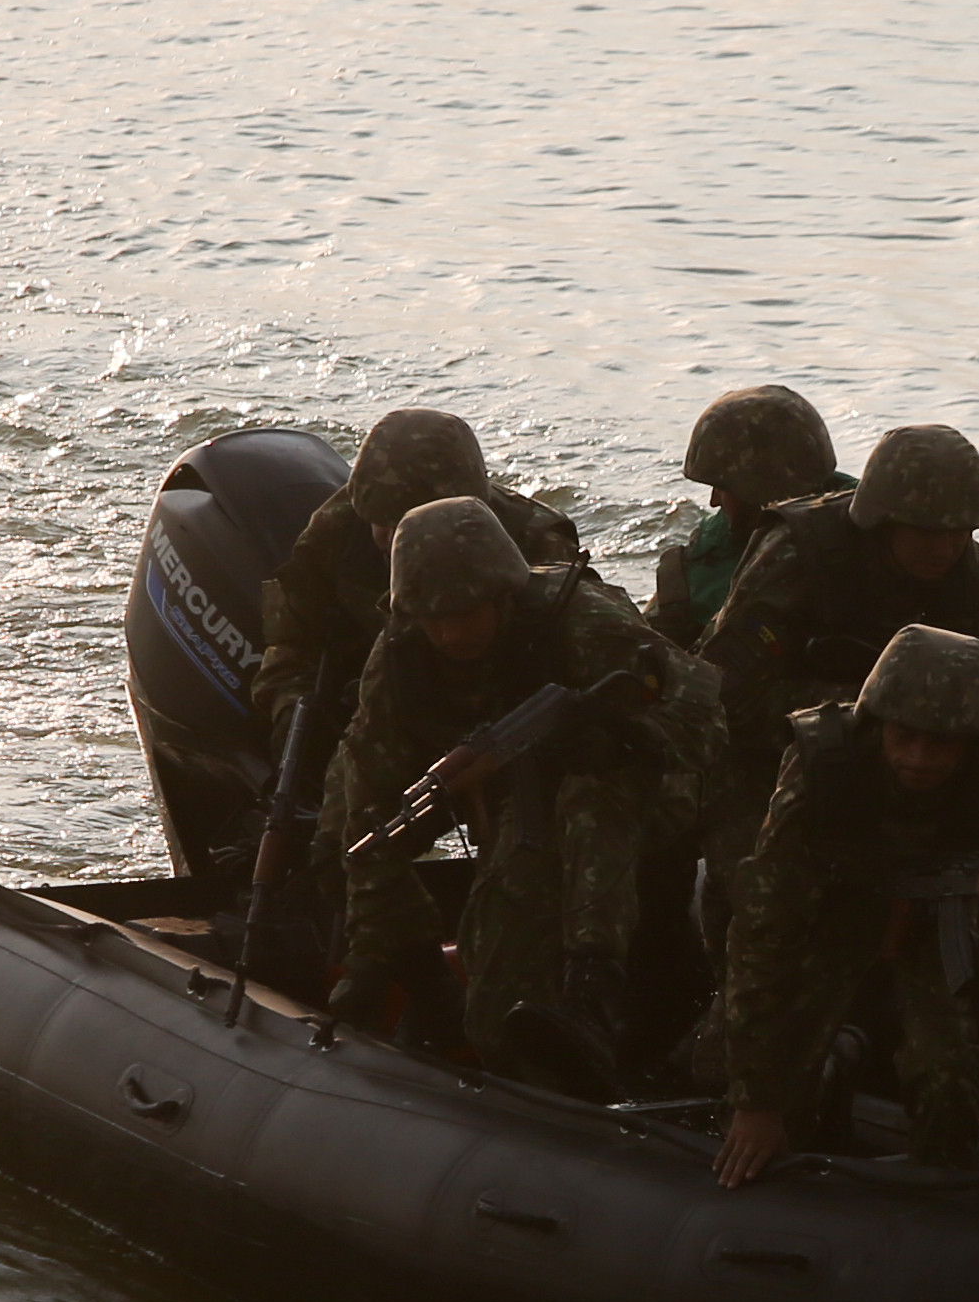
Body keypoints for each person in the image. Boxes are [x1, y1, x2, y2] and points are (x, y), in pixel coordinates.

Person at [324, 496, 671, 1084]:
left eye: (466, 613)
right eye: (434, 618)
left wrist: (614, 739)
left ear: (503, 595)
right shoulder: (401, 657)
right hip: (517, 800)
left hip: (634, 792)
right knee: (489, 1001)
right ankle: (441, 1003)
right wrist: (371, 949)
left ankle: (595, 994)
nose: (450, 632)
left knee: (587, 801)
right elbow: (370, 796)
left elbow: (700, 719)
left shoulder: (581, 620)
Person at [698, 421, 979, 874]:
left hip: (911, 764)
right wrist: (880, 709)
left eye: (959, 532)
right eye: (926, 533)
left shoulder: (973, 576)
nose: (944, 549)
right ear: (881, 522)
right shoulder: (799, 556)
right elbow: (726, 696)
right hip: (775, 759)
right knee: (752, 878)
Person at [713, 625, 979, 1186]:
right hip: (826, 912)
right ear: (877, 725)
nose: (919, 758)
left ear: (972, 743)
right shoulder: (823, 767)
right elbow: (762, 931)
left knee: (947, 1075)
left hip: (936, 924)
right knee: (740, 1070)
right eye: (905, 737)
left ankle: (939, 1186)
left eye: (941, 743)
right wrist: (757, 1099)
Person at [254, 408, 582, 728]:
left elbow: (578, 652)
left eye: (407, 522)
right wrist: (289, 711)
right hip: (382, 697)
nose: (392, 538)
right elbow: (293, 642)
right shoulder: (338, 530)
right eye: (381, 520)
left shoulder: (537, 543)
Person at [650, 384, 846, 646]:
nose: (713, 502)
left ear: (765, 489)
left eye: (724, 488)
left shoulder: (870, 533)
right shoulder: (701, 568)